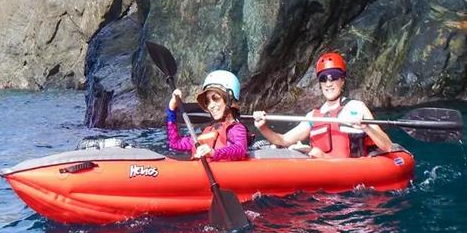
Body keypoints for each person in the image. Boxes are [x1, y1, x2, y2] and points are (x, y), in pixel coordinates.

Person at [253, 52, 393, 158]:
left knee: (314, 152)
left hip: (352, 178)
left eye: (334, 77)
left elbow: (387, 146)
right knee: (305, 150)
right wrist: (263, 127)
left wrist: (366, 127)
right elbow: (283, 140)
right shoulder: (313, 116)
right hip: (322, 176)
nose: (328, 83)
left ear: (342, 80)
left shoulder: (357, 107)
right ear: (320, 83)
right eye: (323, 78)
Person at [166, 70, 248, 161]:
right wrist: (171, 109)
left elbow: (241, 149)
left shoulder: (237, 128)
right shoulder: (208, 131)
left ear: (230, 100)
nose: (210, 106)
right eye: (207, 101)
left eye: (216, 98)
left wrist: (213, 152)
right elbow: (175, 143)